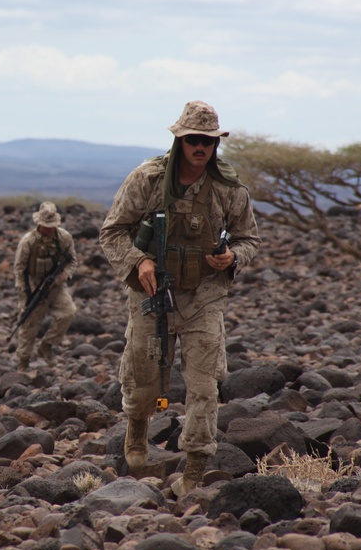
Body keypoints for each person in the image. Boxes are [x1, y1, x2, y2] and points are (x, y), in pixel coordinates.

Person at [99, 101, 261, 497]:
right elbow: (112, 231)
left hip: (204, 295)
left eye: (207, 141)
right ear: (179, 140)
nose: (200, 147)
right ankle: (137, 428)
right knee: (143, 376)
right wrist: (139, 262)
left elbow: (249, 239)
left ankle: (195, 466)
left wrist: (232, 257)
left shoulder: (229, 188)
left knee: (204, 384)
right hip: (152, 292)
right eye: (192, 140)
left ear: (216, 144)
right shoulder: (148, 179)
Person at [12, 201, 79, 371]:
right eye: (45, 225)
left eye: (51, 225)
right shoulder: (28, 241)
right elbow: (19, 269)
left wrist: (60, 278)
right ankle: (23, 360)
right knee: (29, 324)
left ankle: (47, 345)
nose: (49, 229)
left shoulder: (64, 238)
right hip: (33, 285)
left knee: (68, 313)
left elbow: (72, 262)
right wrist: (25, 293)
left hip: (56, 285)